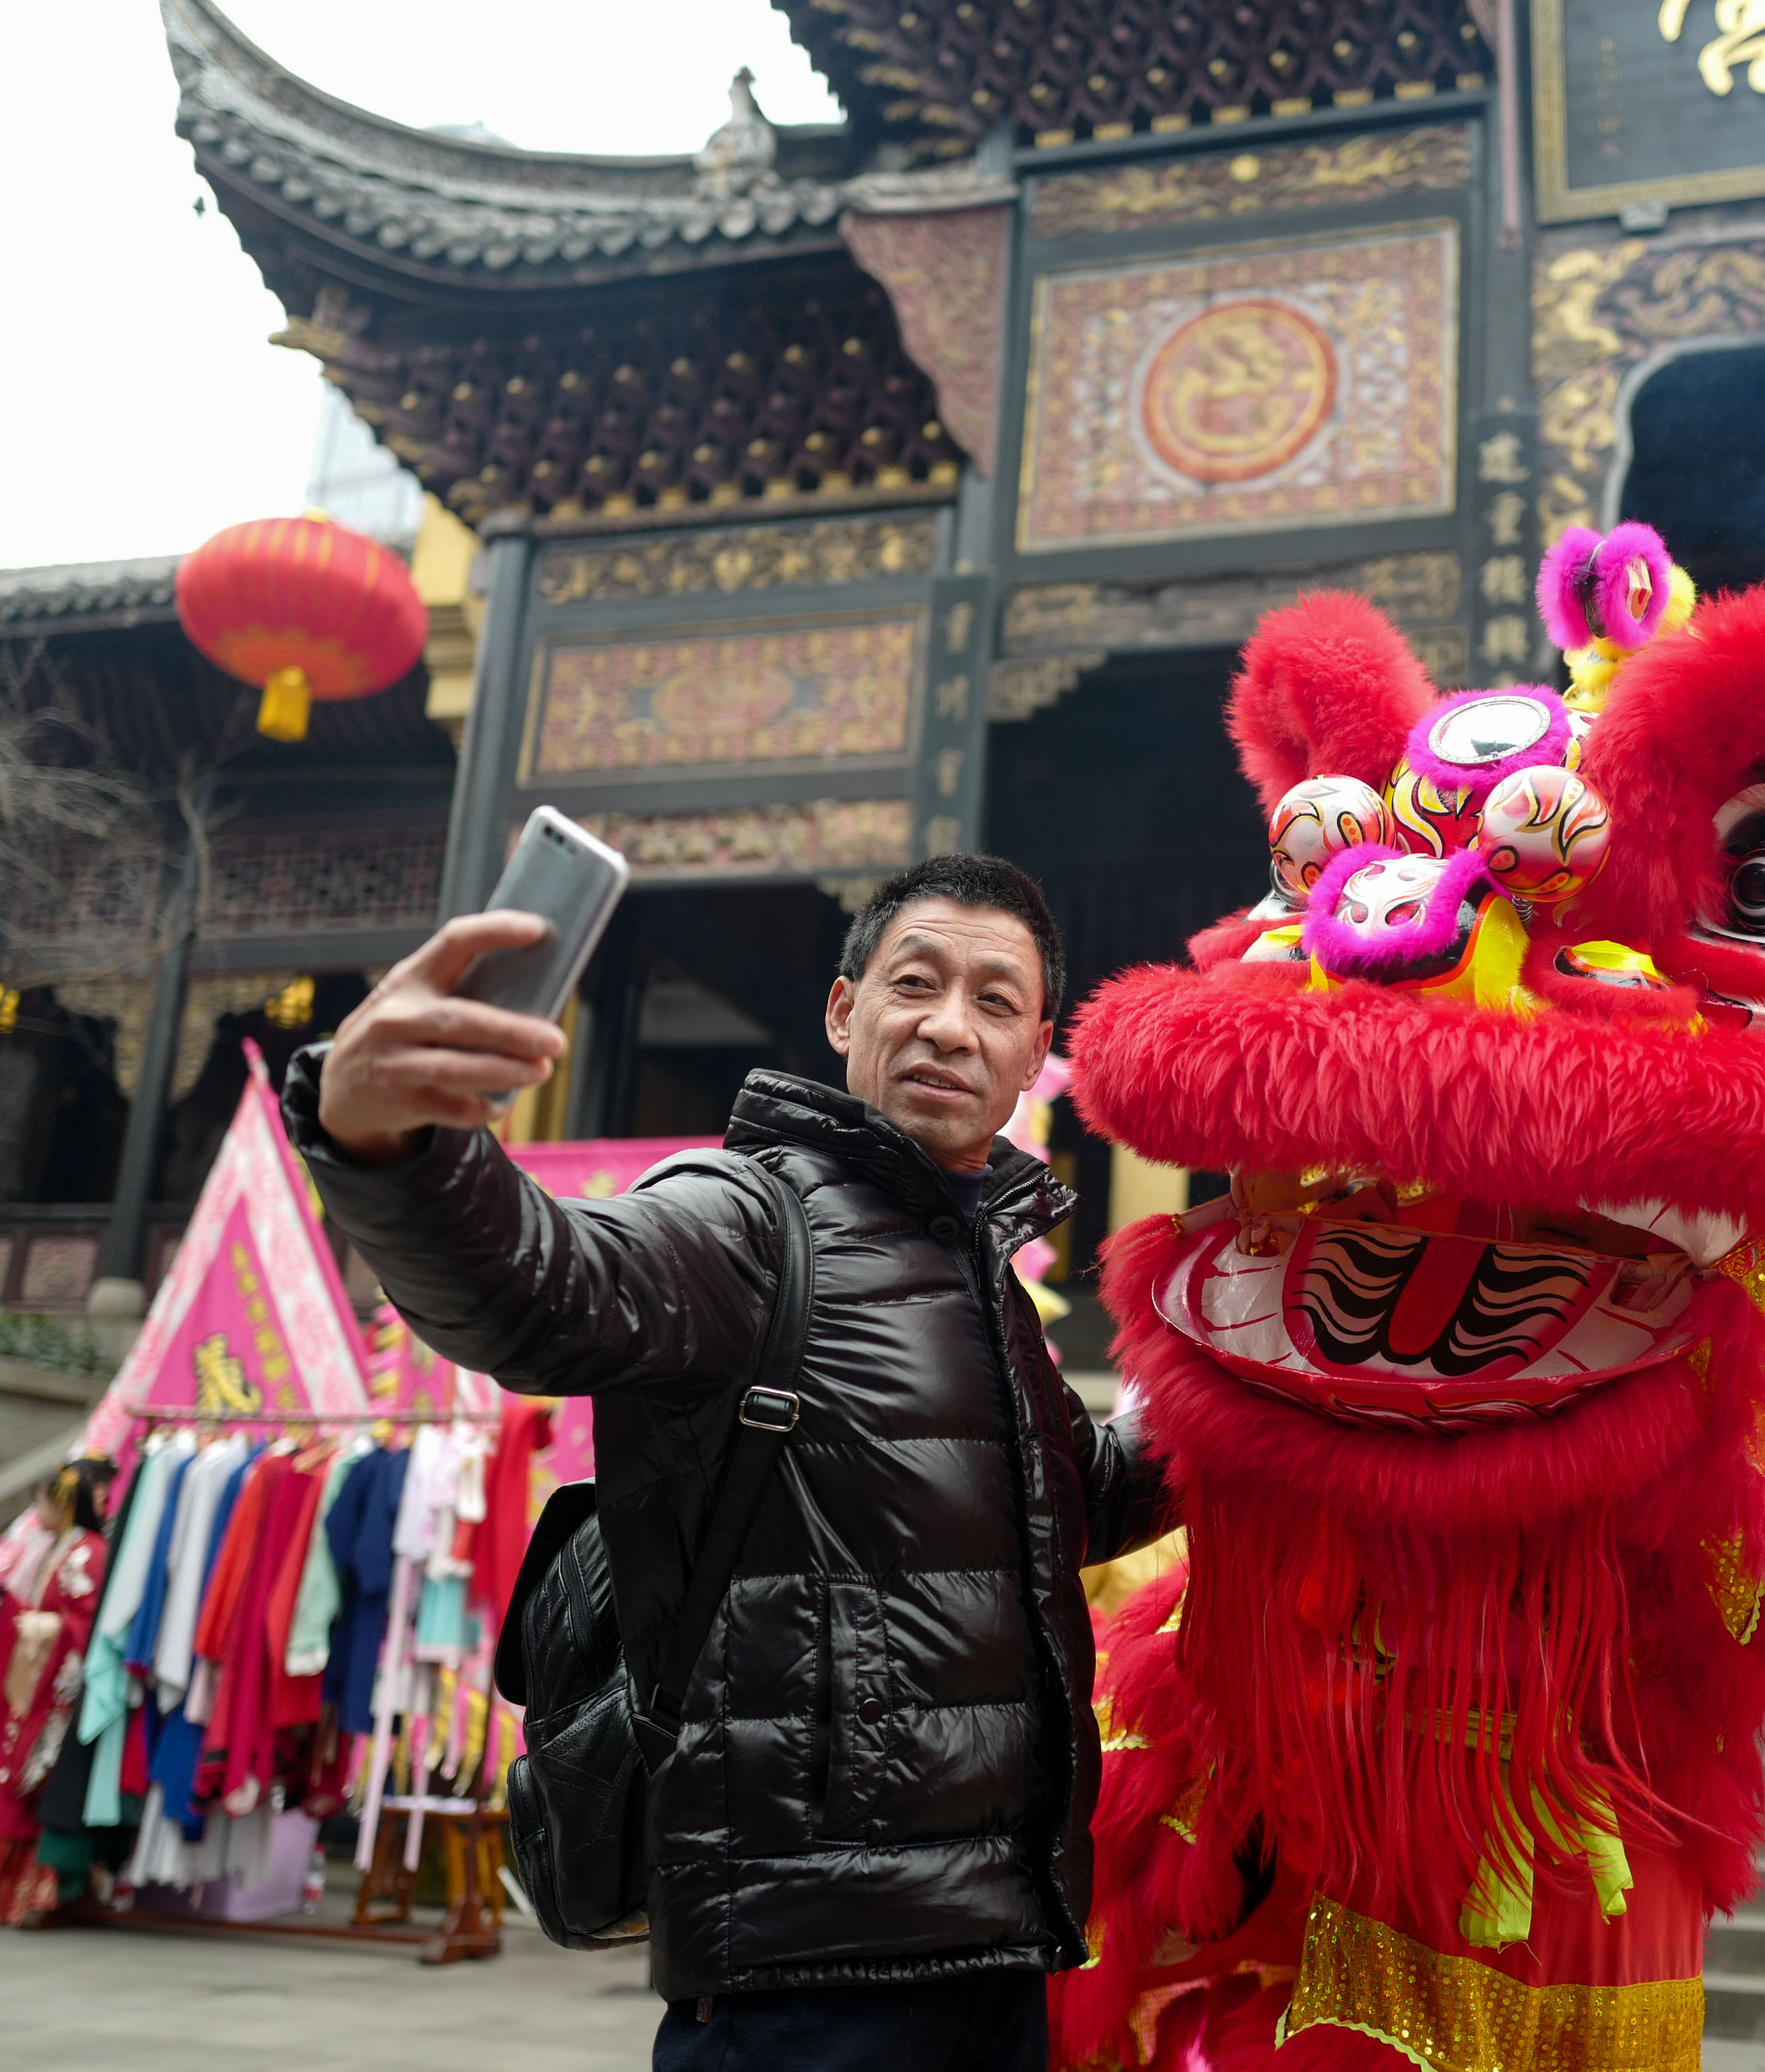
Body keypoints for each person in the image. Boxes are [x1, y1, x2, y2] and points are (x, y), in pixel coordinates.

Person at [294, 852, 1171, 2072]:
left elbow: (1082, 1501)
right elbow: (538, 1290)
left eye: (994, 1002)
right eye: (915, 983)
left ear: (1034, 1057)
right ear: (842, 1009)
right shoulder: (747, 1221)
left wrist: (1267, 1372)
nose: (948, 1027)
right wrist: (384, 1142)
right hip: (801, 1975)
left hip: (997, 1952)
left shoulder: (990, 1286)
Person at [0, 1458, 115, 1927]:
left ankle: (41, 1891)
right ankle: (8, 1891)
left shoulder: (89, 1552)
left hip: (58, 1684)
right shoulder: (57, 1547)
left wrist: (44, 1626)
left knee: (33, 1779)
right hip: (34, 1674)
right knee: (16, 1776)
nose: (38, 1509)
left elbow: (86, 1619)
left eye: (44, 1501)